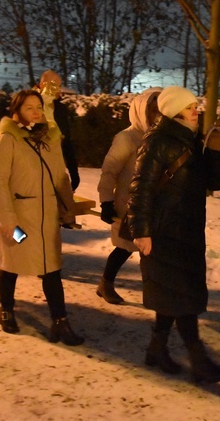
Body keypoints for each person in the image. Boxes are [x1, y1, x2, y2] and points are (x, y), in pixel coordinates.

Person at [125, 86, 220, 383]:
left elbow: (214, 182)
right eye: (189, 106)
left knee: (172, 295)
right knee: (182, 297)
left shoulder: (193, 140)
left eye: (195, 104)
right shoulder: (157, 141)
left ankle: (156, 350)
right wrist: (141, 231)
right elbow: (140, 190)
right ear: (172, 111)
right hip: (163, 232)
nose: (196, 109)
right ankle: (198, 360)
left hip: (187, 231)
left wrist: (217, 150)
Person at [0, 89, 83, 345]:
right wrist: (8, 221)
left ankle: (60, 322)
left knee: (51, 269)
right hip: (18, 221)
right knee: (12, 264)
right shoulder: (8, 139)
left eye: (38, 106)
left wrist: (67, 210)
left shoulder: (50, 138)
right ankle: (7, 310)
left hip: (47, 219)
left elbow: (59, 177)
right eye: (29, 107)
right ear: (17, 111)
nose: (35, 111)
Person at [96, 88, 161, 304]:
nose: (157, 114)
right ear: (141, 111)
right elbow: (110, 171)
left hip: (152, 204)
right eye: (152, 110)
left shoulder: (160, 138)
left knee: (150, 249)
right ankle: (106, 283)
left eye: (160, 109)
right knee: (125, 246)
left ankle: (152, 291)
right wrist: (106, 201)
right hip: (129, 204)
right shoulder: (127, 138)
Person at [36, 70, 80, 191]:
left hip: (56, 167)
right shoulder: (30, 106)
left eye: (60, 86)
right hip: (34, 168)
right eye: (56, 85)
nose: (59, 90)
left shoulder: (60, 109)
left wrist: (73, 171)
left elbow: (67, 140)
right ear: (43, 85)